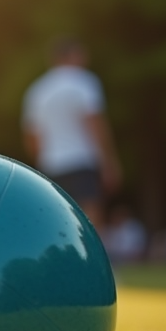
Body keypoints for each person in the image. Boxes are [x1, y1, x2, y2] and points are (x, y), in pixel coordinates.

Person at [22, 38, 122, 231]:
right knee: (91, 218)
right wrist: (109, 162)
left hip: (51, 164)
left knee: (59, 219)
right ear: (72, 56)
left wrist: (41, 162)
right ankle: (92, 260)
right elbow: (95, 123)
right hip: (82, 159)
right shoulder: (84, 81)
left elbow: (32, 137)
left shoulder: (37, 90)